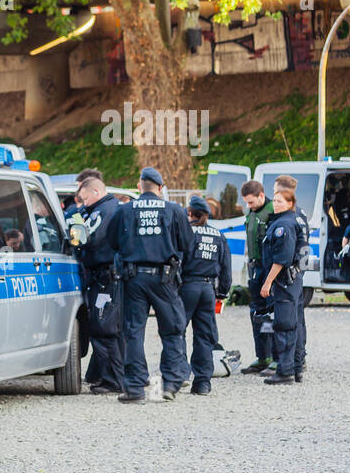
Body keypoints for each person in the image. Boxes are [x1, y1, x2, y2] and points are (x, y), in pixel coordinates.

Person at [108, 166, 195, 402]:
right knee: (172, 330)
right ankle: (170, 383)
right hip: (164, 277)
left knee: (133, 331)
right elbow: (187, 243)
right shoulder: (174, 210)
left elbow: (112, 241)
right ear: (160, 188)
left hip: (133, 277)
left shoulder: (124, 210)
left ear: (139, 186)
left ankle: (134, 387)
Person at [74, 176, 124, 394]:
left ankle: (112, 381)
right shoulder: (111, 207)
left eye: (85, 199)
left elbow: (87, 239)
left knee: (103, 327)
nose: (83, 203)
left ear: (95, 192)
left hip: (105, 278)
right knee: (111, 328)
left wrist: (73, 233)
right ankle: (107, 376)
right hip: (108, 277)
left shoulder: (102, 211)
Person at [178, 195, 232, 395]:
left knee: (177, 331)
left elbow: (177, 262)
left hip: (186, 287)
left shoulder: (185, 233)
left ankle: (181, 374)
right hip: (208, 290)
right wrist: (223, 292)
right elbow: (226, 268)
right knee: (204, 336)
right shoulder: (218, 235)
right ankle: (202, 383)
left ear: (190, 213)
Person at [260, 183, 303, 385]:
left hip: (284, 280)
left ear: (290, 203)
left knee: (284, 325)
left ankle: (285, 372)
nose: (275, 204)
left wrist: (267, 282)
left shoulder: (284, 225)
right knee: (291, 324)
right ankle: (294, 369)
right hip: (290, 281)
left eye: (280, 201)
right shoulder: (285, 221)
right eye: (274, 200)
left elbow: (282, 258)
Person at [239, 181, 276, 374]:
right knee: (257, 314)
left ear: (261, 196)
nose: (249, 206)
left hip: (269, 268)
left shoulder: (273, 211)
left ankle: (277, 358)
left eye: (251, 202)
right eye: (246, 202)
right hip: (255, 269)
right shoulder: (252, 214)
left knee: (273, 314)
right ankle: (263, 357)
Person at [273, 174, 309, 375]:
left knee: (288, 320)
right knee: (297, 318)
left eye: (276, 191)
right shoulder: (301, 213)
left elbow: (285, 252)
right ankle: (298, 360)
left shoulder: (288, 218)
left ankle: (293, 362)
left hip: (288, 274)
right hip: (298, 273)